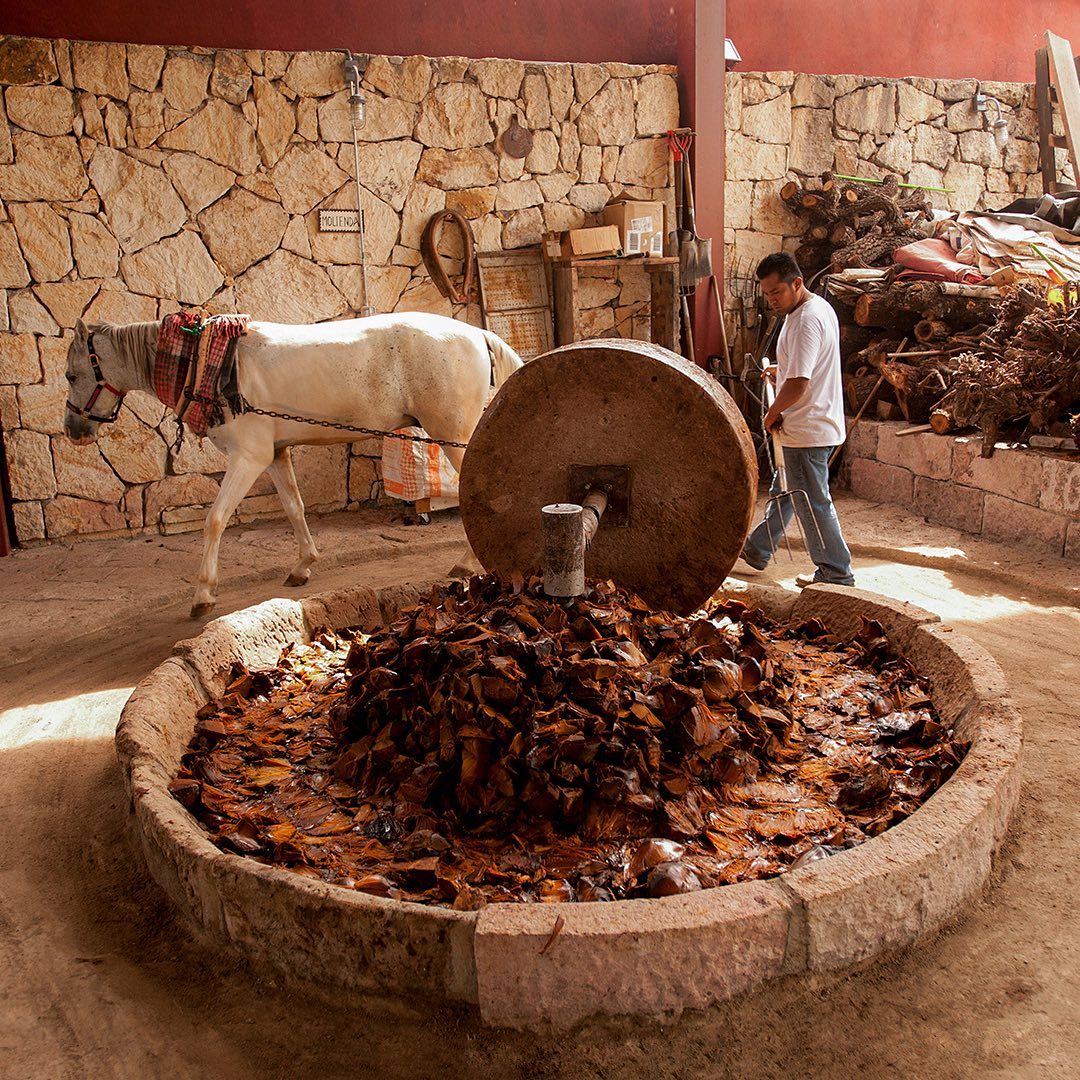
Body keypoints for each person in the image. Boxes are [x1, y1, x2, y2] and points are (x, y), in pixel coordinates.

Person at [738, 251, 855, 587]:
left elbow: (801, 383)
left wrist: (772, 413)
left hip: (808, 427)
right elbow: (806, 368)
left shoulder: (806, 320)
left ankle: (836, 572)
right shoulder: (813, 307)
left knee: (811, 501)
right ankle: (759, 549)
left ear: (797, 283)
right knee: (787, 490)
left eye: (776, 292)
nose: (771, 300)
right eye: (766, 294)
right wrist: (782, 370)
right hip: (812, 421)